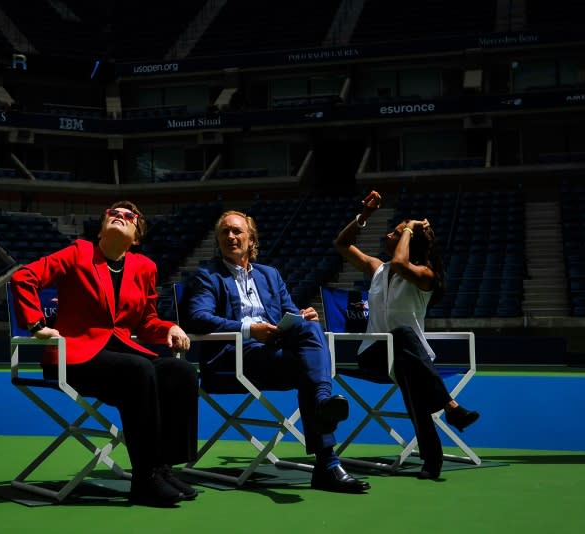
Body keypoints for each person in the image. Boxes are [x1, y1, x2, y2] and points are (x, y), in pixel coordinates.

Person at [10, 200, 199, 507]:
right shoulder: (78, 252)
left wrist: (168, 328)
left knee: (182, 372)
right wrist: (36, 325)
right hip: (73, 358)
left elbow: (147, 322)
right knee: (140, 370)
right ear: (101, 229)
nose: (120, 217)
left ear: (137, 237)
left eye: (130, 216)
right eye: (113, 214)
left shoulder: (145, 267)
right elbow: (24, 277)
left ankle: (164, 468)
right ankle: (144, 479)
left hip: (122, 353)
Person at [181, 210, 371, 494]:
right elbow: (197, 318)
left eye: (237, 231)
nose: (230, 237)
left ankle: (322, 409)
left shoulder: (270, 275)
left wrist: (302, 316)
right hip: (233, 359)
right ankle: (327, 463)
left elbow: (289, 313)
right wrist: (248, 329)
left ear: (251, 239)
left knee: (310, 330)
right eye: (225, 232)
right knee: (310, 369)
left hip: (272, 355)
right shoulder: (207, 276)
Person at [333, 190, 480, 480]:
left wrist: (410, 228)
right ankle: (450, 405)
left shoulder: (425, 275)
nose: (389, 234)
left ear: (408, 242)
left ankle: (432, 460)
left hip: (409, 359)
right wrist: (364, 214)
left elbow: (402, 264)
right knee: (401, 339)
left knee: (411, 380)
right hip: (373, 355)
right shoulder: (377, 268)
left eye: (396, 232)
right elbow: (342, 244)